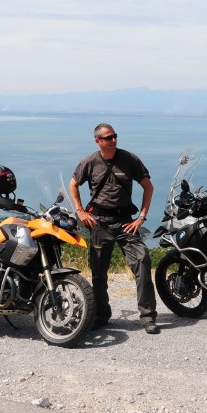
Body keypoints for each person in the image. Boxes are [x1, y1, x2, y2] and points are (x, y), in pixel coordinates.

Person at [69, 123, 159, 334]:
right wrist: (81, 211)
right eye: (108, 138)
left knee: (143, 261)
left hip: (125, 222)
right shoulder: (89, 162)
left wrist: (142, 218)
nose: (114, 140)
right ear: (98, 141)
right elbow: (73, 184)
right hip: (99, 223)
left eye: (115, 136)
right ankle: (101, 315)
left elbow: (148, 186)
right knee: (99, 273)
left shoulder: (130, 159)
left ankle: (147, 317)